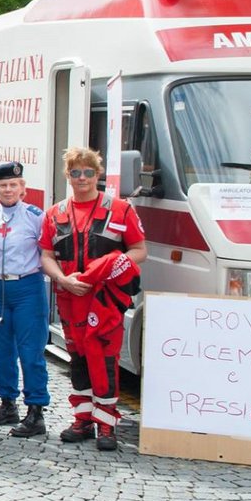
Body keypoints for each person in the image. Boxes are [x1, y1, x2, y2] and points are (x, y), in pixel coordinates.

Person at [39, 147, 147, 451]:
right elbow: (46, 255)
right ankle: (83, 419)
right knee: (79, 360)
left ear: (98, 175)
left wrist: (109, 270)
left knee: (106, 361)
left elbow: (140, 250)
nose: (82, 178)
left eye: (88, 172)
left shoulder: (121, 210)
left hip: (106, 302)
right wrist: (63, 280)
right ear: (68, 176)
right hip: (70, 298)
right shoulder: (55, 213)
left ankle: (107, 424)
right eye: (75, 172)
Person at [0, 160, 51, 437]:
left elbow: (47, 252)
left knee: (30, 351)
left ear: (23, 188)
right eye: (2, 186)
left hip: (27, 287)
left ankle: (36, 410)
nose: (8, 190)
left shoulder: (36, 216)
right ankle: (7, 403)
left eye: (13, 185)